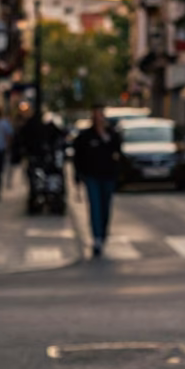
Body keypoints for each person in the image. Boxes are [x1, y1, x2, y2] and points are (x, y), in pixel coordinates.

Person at [73, 105, 122, 256]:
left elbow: (118, 151)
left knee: (105, 207)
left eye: (100, 115)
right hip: (92, 176)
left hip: (108, 176)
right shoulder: (86, 136)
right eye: (96, 116)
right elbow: (78, 156)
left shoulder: (111, 134)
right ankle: (97, 238)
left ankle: (103, 233)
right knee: (95, 206)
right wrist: (78, 175)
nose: (98, 119)